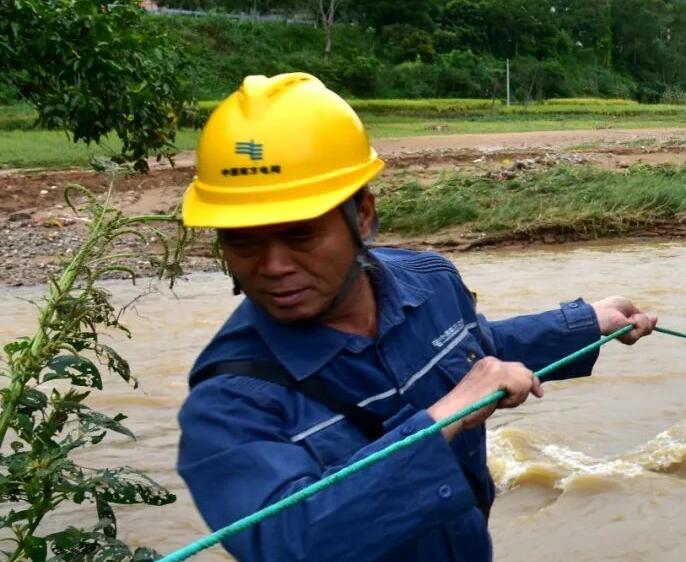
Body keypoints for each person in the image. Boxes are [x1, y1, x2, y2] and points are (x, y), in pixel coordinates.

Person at [176, 73, 656, 562]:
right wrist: (444, 417)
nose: (274, 266)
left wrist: (584, 323)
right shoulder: (228, 402)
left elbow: (476, 352)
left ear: (363, 216)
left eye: (300, 235)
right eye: (243, 241)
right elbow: (287, 541)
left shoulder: (430, 283)